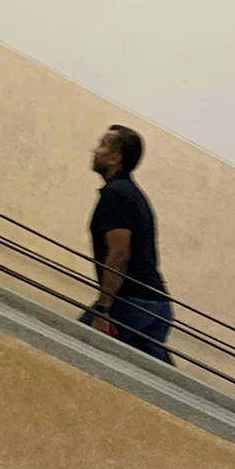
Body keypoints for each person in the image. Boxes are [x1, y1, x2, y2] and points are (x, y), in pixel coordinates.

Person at [80, 125, 174, 361]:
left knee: (73, 347)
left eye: (102, 145)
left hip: (133, 302)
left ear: (115, 158)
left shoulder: (115, 195)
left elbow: (119, 253)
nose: (95, 150)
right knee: (155, 378)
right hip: (157, 304)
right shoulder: (132, 194)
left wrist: (103, 309)